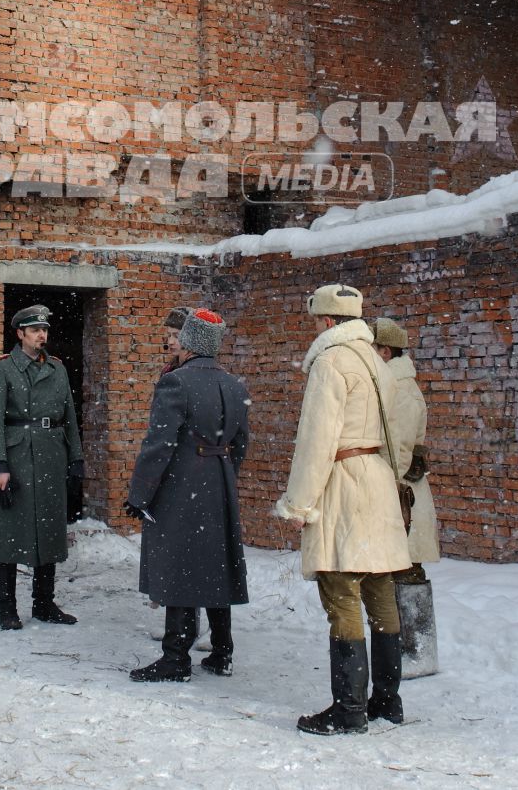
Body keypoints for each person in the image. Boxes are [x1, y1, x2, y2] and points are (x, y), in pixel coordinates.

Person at [273, 283, 413, 735]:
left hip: (344, 480)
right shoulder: (379, 363)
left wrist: (299, 502)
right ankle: (386, 701)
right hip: (377, 478)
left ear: (328, 322)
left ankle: (349, 709)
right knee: (379, 587)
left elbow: (317, 439)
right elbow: (397, 433)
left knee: (341, 587)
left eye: (317, 321)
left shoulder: (332, 362)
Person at [125, 307, 249, 682]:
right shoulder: (234, 385)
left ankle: (175, 658)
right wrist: (220, 471)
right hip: (220, 480)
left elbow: (158, 444)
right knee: (214, 564)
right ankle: (222, 652)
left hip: (182, 482)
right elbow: (241, 445)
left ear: (192, 342)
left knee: (179, 566)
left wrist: (140, 494)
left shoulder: (176, 382)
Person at [0, 303, 84, 630]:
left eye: (45, 330)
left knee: (50, 532)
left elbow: (69, 417)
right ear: (20, 333)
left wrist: (76, 458)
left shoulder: (58, 369)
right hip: (17, 457)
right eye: (35, 330)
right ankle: (6, 607)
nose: (42, 335)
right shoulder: (3, 369)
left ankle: (44, 602)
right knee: (8, 533)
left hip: (52, 455)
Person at [373, 316, 439, 681]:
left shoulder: (397, 388)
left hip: (401, 496)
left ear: (385, 350)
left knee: (406, 570)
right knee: (403, 568)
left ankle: (416, 650)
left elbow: (396, 451)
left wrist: (382, 492)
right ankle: (413, 649)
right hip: (403, 493)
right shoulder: (397, 384)